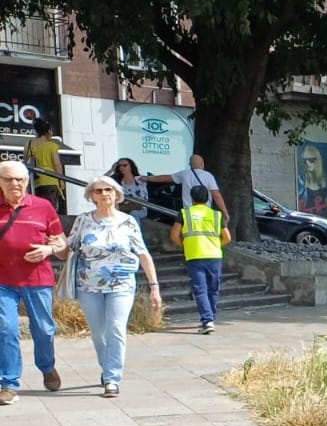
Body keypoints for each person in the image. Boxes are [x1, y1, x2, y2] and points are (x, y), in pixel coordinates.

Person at [69, 176, 163, 397]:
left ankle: (112, 377)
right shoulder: (83, 220)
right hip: (88, 285)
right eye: (99, 190)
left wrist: (154, 286)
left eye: (109, 189)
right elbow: (69, 246)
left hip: (121, 284)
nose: (104, 194)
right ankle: (106, 366)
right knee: (99, 333)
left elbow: (143, 254)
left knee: (116, 329)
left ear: (116, 194)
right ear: (91, 196)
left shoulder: (128, 221)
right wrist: (50, 247)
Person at [0, 159, 66, 405]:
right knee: (5, 329)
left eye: (20, 179)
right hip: (2, 280)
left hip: (37, 279)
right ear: (0, 182)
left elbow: (62, 245)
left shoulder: (43, 206)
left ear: (27, 181)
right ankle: (8, 383)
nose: (15, 183)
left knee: (44, 329)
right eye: (9, 179)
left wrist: (49, 251)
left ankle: (47, 367)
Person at [170, 185, 230, 334]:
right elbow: (227, 238)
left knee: (200, 289)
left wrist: (185, 246)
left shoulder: (184, 214)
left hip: (194, 256)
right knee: (213, 289)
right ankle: (211, 318)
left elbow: (174, 235)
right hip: (214, 256)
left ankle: (207, 320)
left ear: (192, 199)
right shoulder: (216, 215)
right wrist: (216, 245)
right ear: (208, 198)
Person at [142, 154, 230, 228]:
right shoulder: (208, 176)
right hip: (205, 214)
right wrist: (225, 212)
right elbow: (216, 195)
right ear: (202, 164)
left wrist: (149, 178)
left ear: (190, 164)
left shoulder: (184, 174)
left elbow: (166, 178)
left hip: (188, 214)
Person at [20, 119, 65, 214]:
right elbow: (57, 164)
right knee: (50, 208)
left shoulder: (29, 144)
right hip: (51, 179)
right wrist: (61, 180)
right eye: (51, 131)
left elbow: (26, 161)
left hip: (35, 181)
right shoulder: (52, 146)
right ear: (48, 131)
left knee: (38, 208)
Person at [297, 144, 327, 218]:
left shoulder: (325, 183)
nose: (307, 163)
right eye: (304, 160)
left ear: (317, 161)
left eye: (311, 160)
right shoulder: (301, 181)